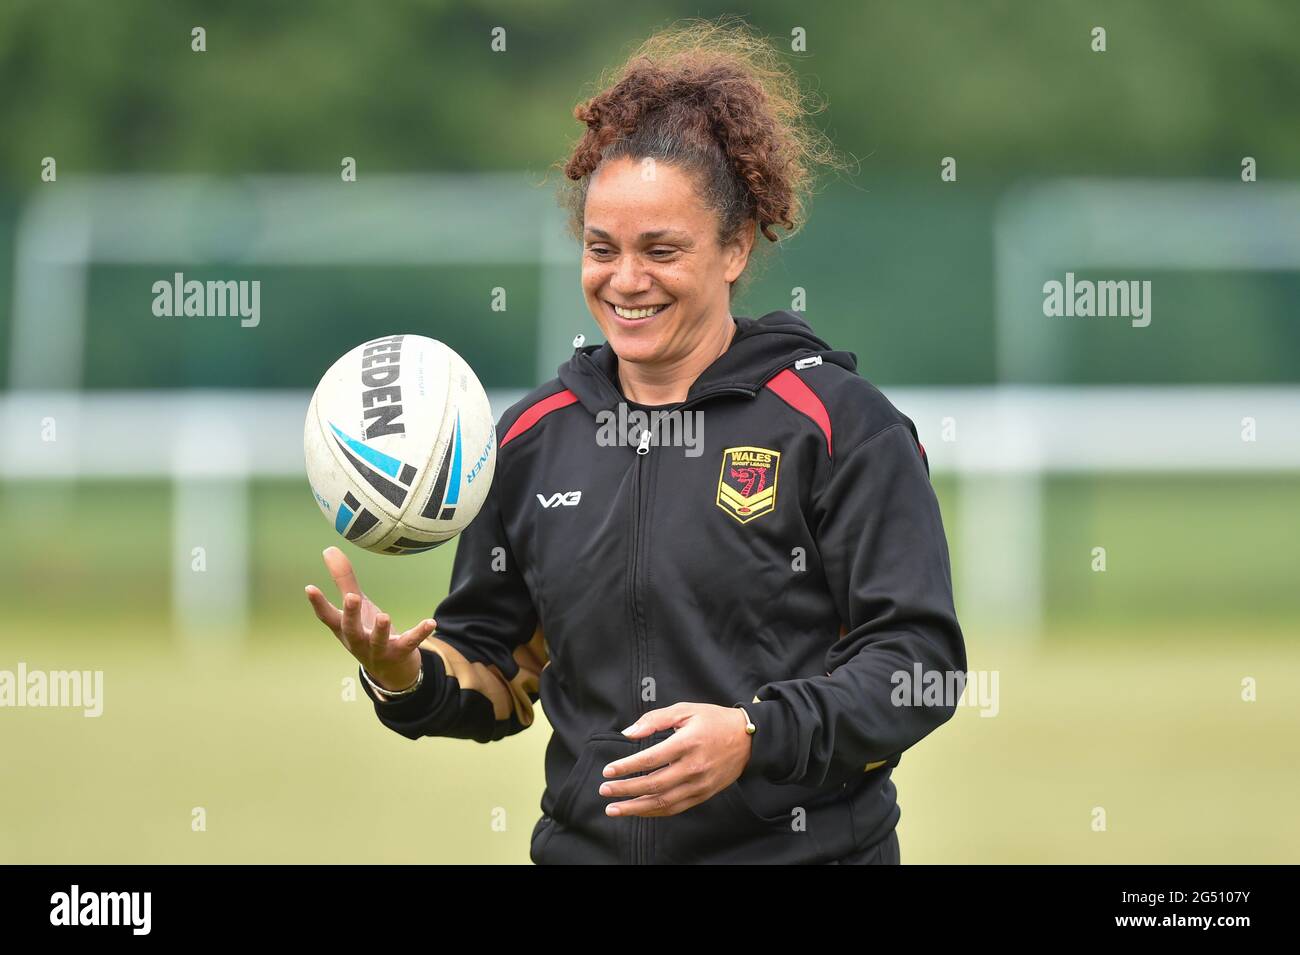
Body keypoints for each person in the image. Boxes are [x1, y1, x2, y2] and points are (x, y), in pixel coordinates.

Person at [305, 19, 966, 865]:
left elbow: (921, 665)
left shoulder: (836, 424)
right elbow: (500, 674)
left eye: (661, 250)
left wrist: (755, 735)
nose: (625, 280)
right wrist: (402, 676)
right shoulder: (532, 440)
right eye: (601, 249)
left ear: (734, 247)